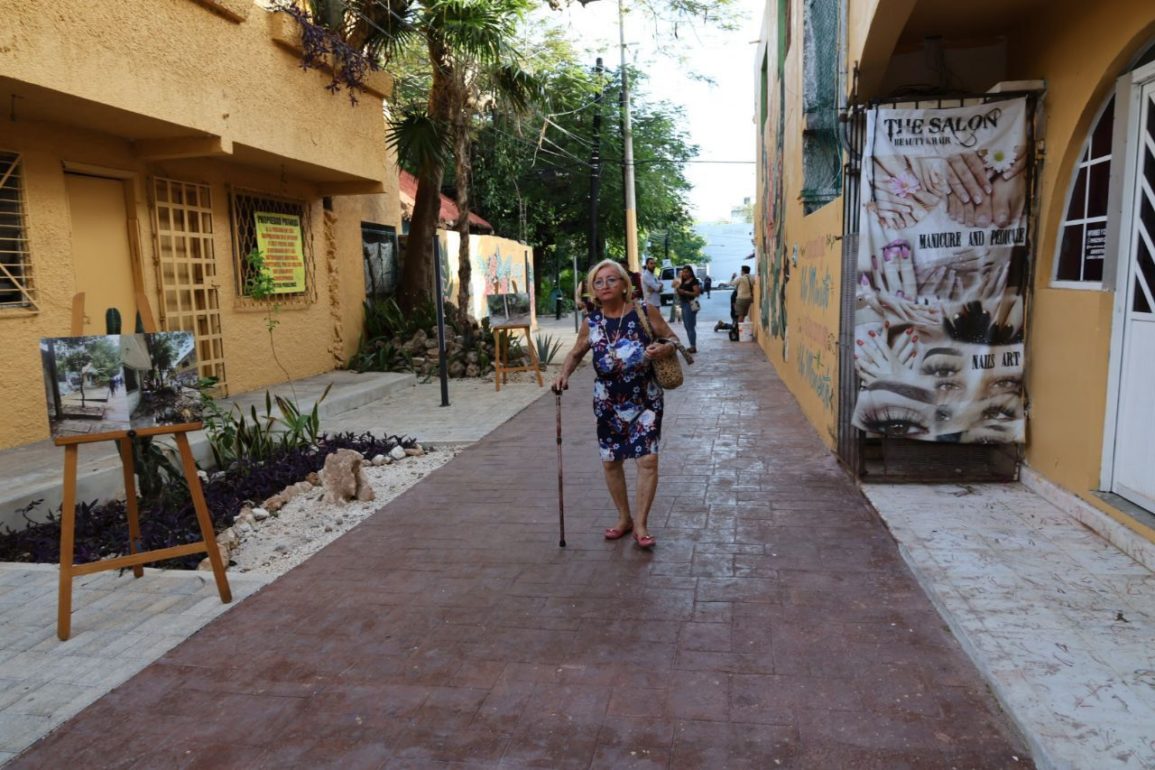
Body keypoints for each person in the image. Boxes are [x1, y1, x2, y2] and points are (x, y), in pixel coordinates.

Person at [553, 259, 680, 550]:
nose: (605, 286)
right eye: (598, 282)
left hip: (645, 397)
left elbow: (673, 339)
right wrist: (563, 374)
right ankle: (623, 518)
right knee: (612, 461)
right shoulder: (592, 322)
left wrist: (665, 347)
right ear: (592, 291)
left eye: (612, 280)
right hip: (608, 401)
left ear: (625, 284)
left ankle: (641, 524)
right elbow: (576, 353)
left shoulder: (644, 312)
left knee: (647, 459)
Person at [675, 265, 701, 353]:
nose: (685, 273)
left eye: (687, 271)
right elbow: (674, 285)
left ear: (690, 272)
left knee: (690, 326)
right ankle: (692, 345)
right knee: (687, 326)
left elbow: (697, 293)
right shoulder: (683, 281)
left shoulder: (694, 281)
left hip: (690, 304)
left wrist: (685, 292)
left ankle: (693, 346)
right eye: (684, 272)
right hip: (683, 304)